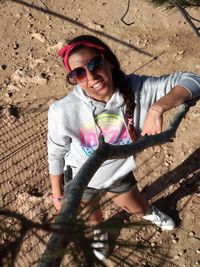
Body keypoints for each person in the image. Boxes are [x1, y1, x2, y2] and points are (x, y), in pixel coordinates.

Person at [47, 35, 200, 261]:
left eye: (94, 64)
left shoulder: (138, 89)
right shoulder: (62, 110)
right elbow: (56, 152)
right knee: (92, 217)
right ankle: (98, 235)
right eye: (78, 73)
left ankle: (148, 212)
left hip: (118, 172)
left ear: (108, 60)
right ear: (74, 79)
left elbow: (193, 80)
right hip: (81, 177)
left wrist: (157, 109)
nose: (90, 76)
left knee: (137, 207)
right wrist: (58, 195)